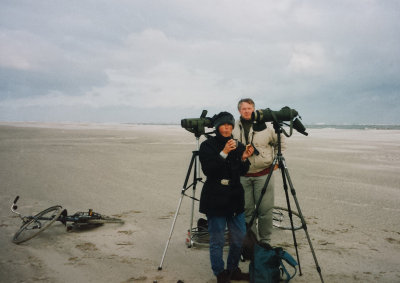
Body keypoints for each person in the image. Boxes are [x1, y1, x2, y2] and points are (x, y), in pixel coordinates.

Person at [199, 111, 254, 283]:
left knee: (238, 239)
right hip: (215, 197)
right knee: (218, 240)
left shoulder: (237, 145)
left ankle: (232, 270)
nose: (226, 128)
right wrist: (223, 152)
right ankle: (220, 274)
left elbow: (243, 171)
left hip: (235, 196)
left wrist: (244, 158)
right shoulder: (207, 146)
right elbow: (208, 171)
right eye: (223, 125)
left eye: (229, 125)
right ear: (217, 127)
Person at [232, 98, 286, 246]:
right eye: (244, 109)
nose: (247, 111)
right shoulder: (233, 127)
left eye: (249, 108)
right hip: (242, 177)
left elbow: (280, 143)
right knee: (246, 212)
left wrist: (276, 162)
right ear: (239, 111)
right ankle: (251, 242)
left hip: (263, 175)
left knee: (265, 211)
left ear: (254, 109)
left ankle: (265, 242)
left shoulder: (267, 127)